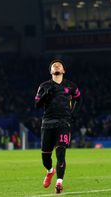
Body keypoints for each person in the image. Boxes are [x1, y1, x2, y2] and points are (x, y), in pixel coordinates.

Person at [35, 59, 81, 194]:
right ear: (50, 71)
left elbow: (79, 99)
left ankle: (59, 182)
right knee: (45, 159)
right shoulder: (43, 86)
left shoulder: (71, 86)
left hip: (63, 123)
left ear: (63, 71)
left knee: (61, 153)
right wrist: (45, 95)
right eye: (54, 65)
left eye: (59, 65)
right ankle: (50, 171)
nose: (57, 66)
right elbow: (37, 105)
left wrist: (74, 114)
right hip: (47, 123)